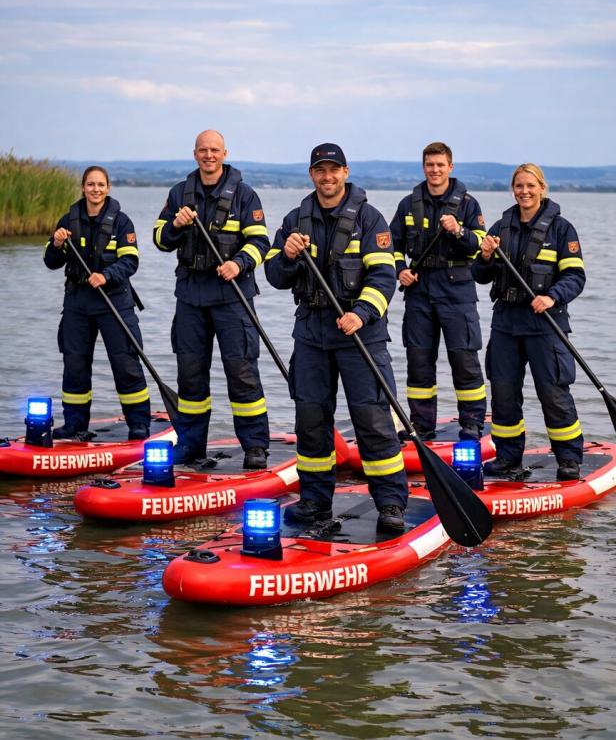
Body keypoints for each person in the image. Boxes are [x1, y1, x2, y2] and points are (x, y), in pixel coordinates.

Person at [265, 142, 408, 533]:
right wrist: (288, 256)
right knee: (310, 420)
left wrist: (360, 314)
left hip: (360, 335)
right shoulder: (296, 219)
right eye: (320, 171)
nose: (327, 177)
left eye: (334, 170)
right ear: (312, 175)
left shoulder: (371, 219)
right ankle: (314, 501)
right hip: (311, 334)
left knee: (373, 420)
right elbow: (274, 277)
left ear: (345, 172)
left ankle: (391, 503)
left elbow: (384, 276)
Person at [153, 130, 270, 468]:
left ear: (224, 153)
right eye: (203, 150)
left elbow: (261, 243)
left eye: (214, 150)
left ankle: (255, 446)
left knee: (242, 370)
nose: (208, 155)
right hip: (190, 296)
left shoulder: (245, 196)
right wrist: (174, 225)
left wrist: (239, 263)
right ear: (195, 154)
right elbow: (160, 240)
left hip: (233, 296)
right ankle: (190, 446)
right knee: (190, 375)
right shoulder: (179, 194)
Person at [472, 163, 585, 480]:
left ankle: (568, 459)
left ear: (542, 188)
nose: (524, 191)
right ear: (513, 189)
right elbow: (480, 277)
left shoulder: (562, 230)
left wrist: (553, 296)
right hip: (506, 323)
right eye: (519, 186)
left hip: (545, 323)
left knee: (553, 393)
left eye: (530, 186)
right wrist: (483, 256)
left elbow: (575, 276)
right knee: (504, 393)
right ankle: (508, 459)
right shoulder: (499, 228)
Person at [44, 166, 151, 440]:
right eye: (90, 184)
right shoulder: (68, 220)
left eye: (100, 184)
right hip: (77, 303)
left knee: (126, 364)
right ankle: (75, 425)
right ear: (83, 187)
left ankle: (139, 423)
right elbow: (51, 262)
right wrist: (56, 245)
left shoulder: (122, 222)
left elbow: (130, 261)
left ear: (108, 188)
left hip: (113, 302)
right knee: (75, 365)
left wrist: (106, 275)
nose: (95, 189)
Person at [389, 141, 487, 441]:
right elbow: (390, 245)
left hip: (457, 292)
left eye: (440, 165)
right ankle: (422, 425)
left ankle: (472, 424)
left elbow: (481, 245)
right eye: (430, 165)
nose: (435, 170)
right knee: (418, 363)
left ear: (450, 167)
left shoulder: (468, 204)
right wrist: (400, 270)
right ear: (423, 167)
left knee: (464, 361)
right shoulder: (409, 204)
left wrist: (458, 230)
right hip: (419, 293)